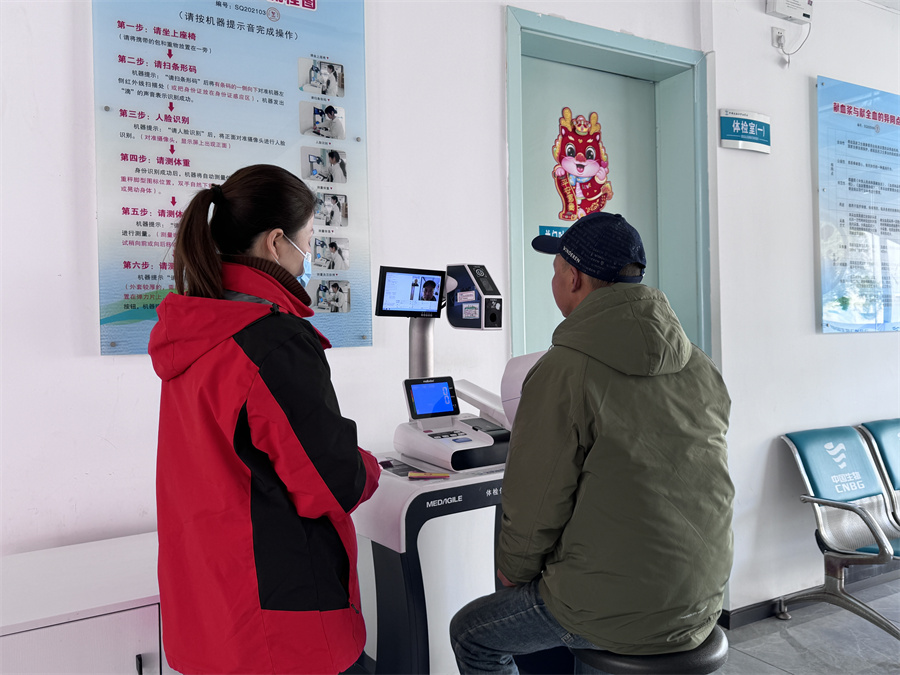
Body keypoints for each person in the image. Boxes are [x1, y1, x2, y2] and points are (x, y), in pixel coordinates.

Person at [450, 212, 734, 673]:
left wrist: (512, 572)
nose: (554, 281)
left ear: (574, 278)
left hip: (614, 609)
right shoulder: (699, 364)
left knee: (472, 633)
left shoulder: (565, 369)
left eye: (555, 270)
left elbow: (535, 500)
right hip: (701, 597)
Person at [148, 164, 380, 675]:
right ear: (277, 242)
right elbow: (332, 481)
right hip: (282, 629)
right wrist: (369, 466)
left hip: (210, 614)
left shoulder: (195, 330)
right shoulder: (271, 341)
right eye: (310, 240)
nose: (310, 256)